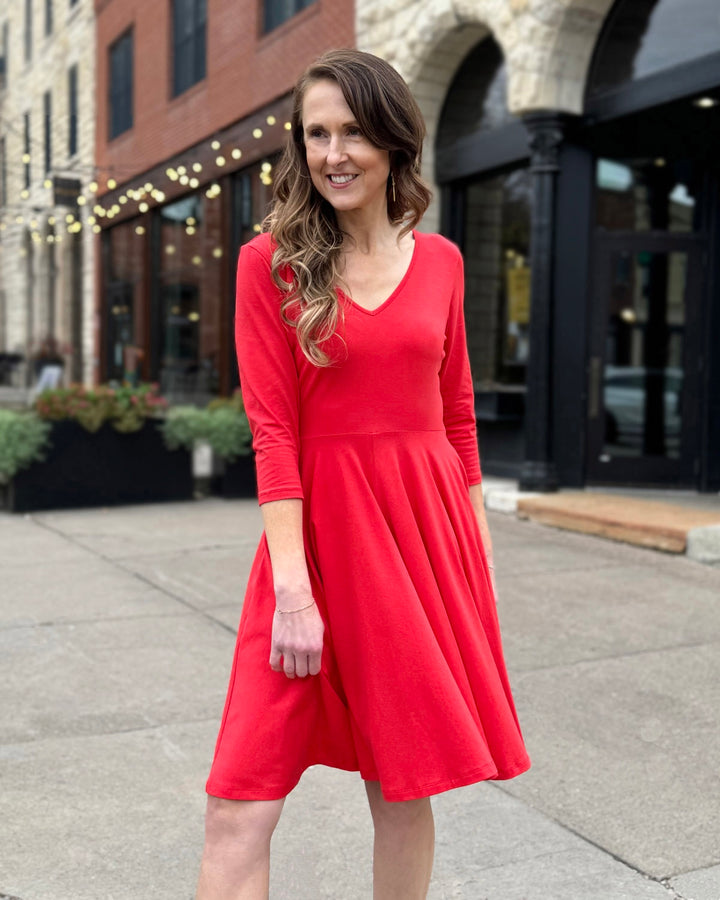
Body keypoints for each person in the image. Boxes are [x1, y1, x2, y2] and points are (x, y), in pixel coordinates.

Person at [196, 49, 530, 899]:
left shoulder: (444, 262)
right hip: (311, 549)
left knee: (404, 788)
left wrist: (478, 562)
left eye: (352, 132)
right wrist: (294, 592)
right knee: (238, 805)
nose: (333, 154)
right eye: (316, 135)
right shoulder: (269, 263)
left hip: (422, 546)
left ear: (393, 140)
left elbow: (457, 419)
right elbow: (274, 434)